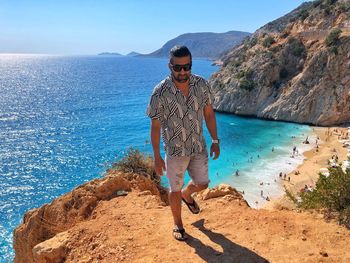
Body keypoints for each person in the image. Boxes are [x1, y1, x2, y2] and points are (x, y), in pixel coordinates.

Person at [146, 45, 220, 241]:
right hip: (175, 150)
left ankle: (189, 195)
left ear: (191, 65)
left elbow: (209, 114)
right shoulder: (160, 92)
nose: (183, 72)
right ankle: (178, 225)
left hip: (198, 146)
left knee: (203, 184)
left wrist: (215, 140)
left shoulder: (202, 85)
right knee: (174, 189)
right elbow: (155, 126)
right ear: (170, 66)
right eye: (178, 67)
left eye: (186, 66)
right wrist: (157, 156)